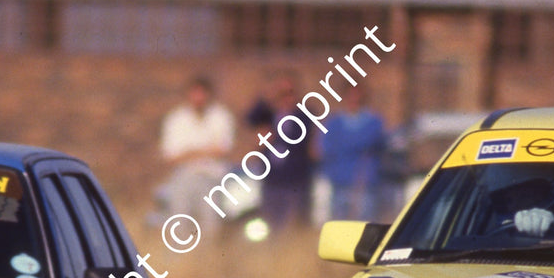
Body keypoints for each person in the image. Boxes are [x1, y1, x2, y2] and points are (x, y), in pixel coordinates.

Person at [159, 75, 236, 224]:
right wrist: (204, 151)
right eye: (195, 93)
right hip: (184, 176)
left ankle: (209, 247)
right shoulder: (176, 119)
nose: (199, 98)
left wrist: (191, 152)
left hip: (211, 177)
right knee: (180, 220)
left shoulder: (220, 116)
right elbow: (171, 156)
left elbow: (223, 149)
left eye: (202, 93)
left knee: (210, 221)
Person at [246, 73, 313, 231]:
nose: (285, 98)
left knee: (294, 226)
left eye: (289, 93)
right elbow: (250, 118)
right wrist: (268, 96)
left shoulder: (303, 116)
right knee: (270, 226)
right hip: (272, 181)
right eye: (281, 94)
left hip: (296, 181)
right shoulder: (269, 115)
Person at [320, 86, 386, 221]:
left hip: (365, 185)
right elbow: (325, 147)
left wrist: (346, 144)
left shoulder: (373, 122)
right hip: (340, 184)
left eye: (358, 98)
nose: (354, 101)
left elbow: (373, 141)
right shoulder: (334, 123)